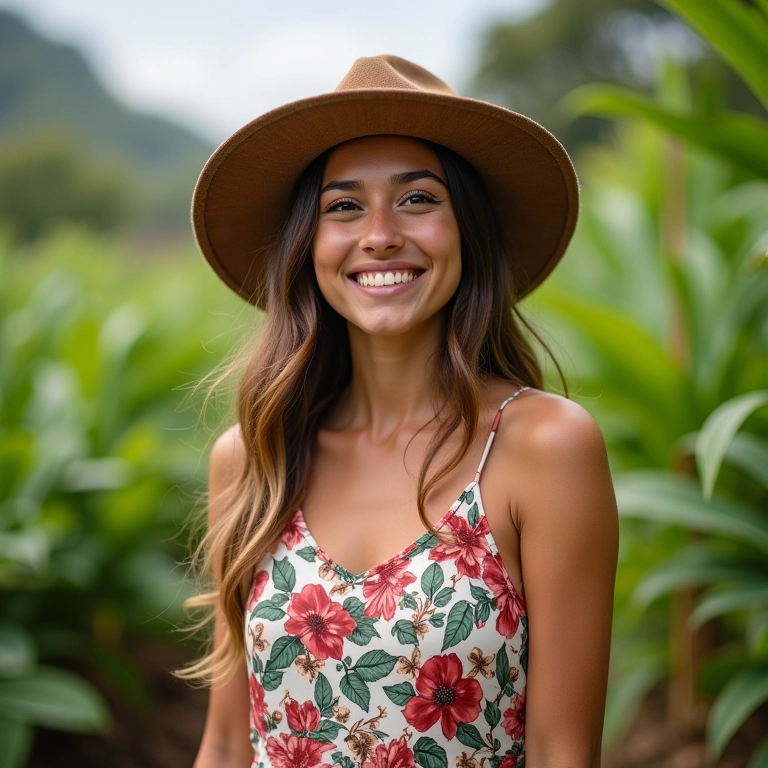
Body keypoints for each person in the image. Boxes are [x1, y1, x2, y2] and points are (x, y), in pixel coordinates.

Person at [186, 55, 618, 768]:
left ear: (468, 232)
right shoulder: (255, 453)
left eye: (418, 199)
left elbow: (561, 751)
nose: (379, 233)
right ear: (309, 246)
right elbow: (229, 741)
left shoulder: (542, 447)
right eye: (344, 206)